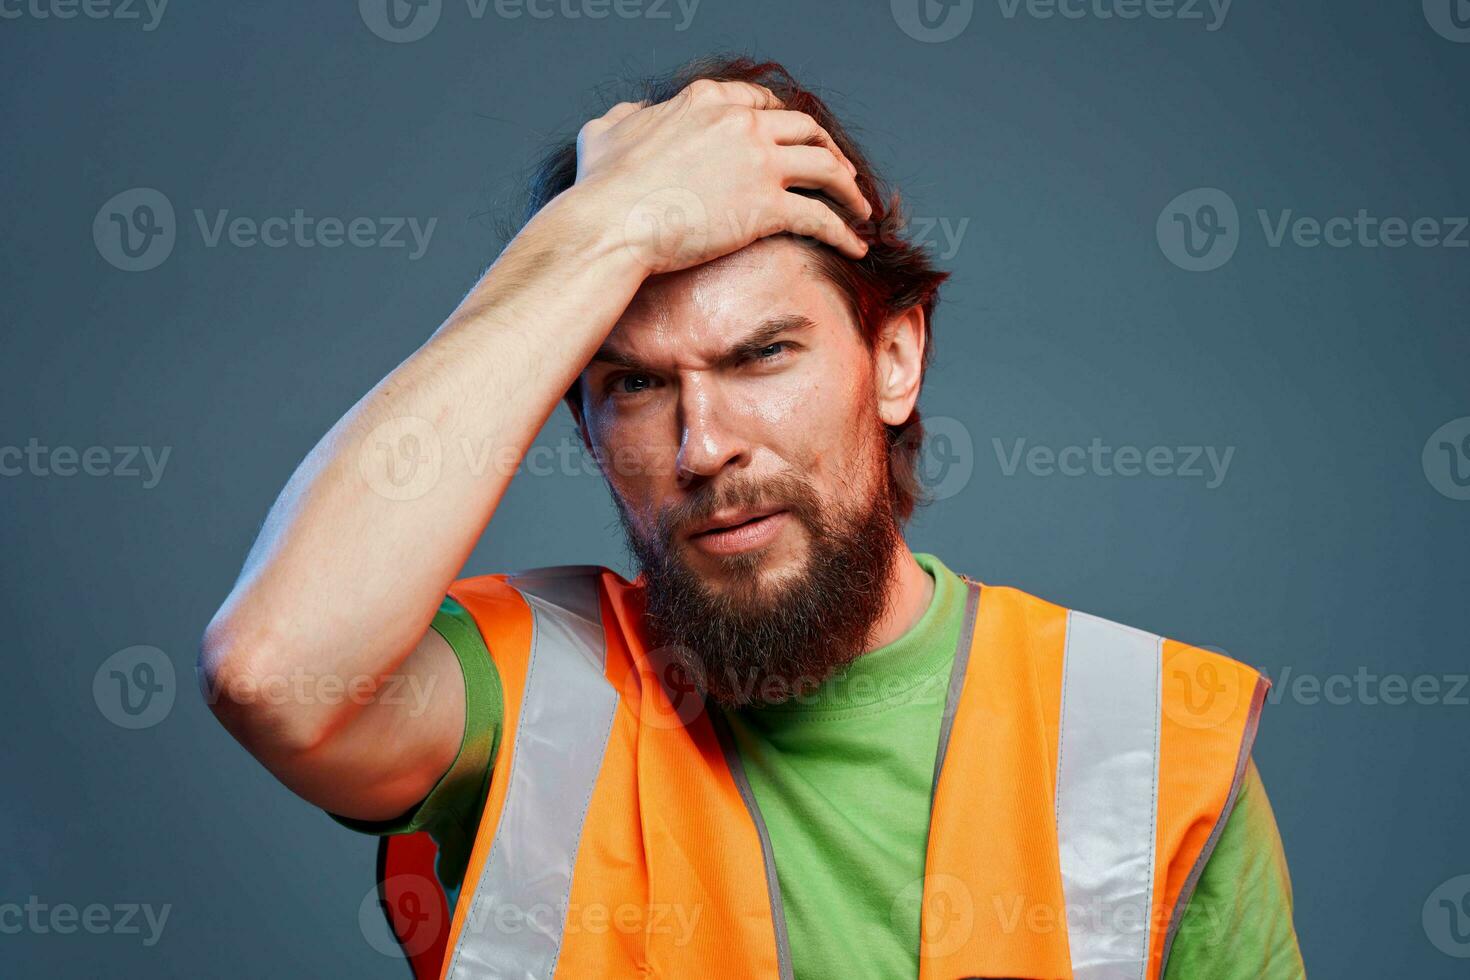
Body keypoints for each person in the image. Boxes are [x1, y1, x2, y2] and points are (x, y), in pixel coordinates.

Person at [199, 55, 1305, 980]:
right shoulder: (530, 687)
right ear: (582, 424)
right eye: (633, 383)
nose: (705, 443)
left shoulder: (1154, 738)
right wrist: (600, 234)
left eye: (763, 353)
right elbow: (270, 671)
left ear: (896, 358)